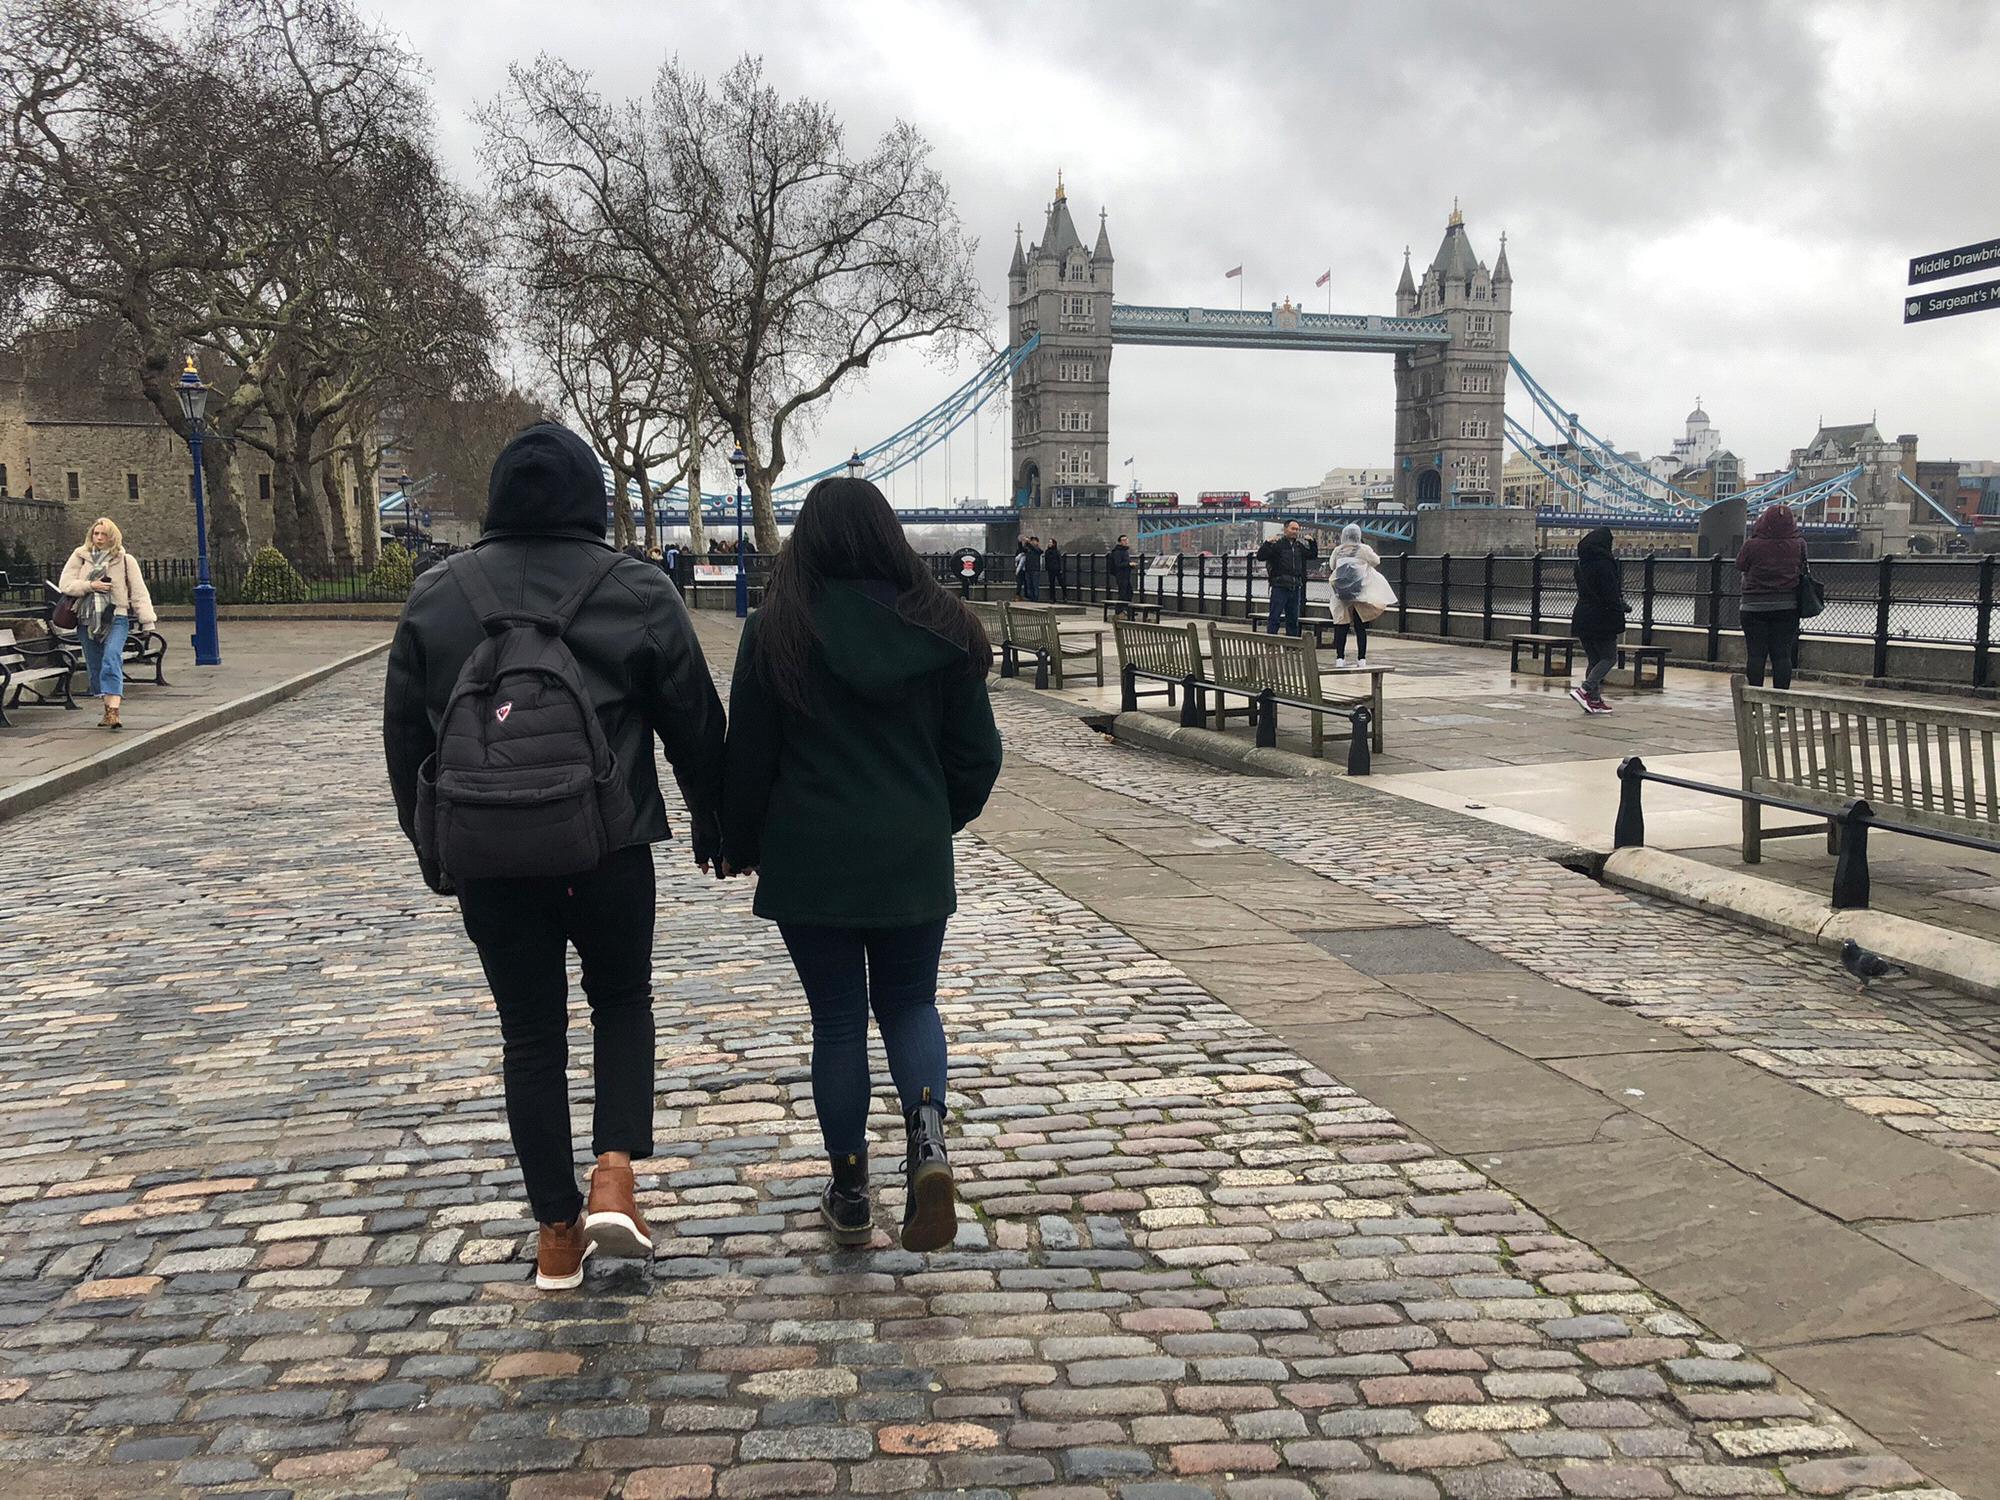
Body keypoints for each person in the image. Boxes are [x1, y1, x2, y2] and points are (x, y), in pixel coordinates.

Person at [383, 423, 726, 1292]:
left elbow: (404, 739)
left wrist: (435, 848)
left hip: (491, 855)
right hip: (608, 845)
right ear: (593, 500)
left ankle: (555, 1237)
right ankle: (616, 1174)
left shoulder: (435, 596)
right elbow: (695, 728)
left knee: (529, 1036)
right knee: (621, 1002)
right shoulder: (639, 589)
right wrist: (722, 826)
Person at [722, 477, 1003, 1254]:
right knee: (911, 1005)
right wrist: (928, 821)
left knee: (838, 1023)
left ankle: (849, 1194)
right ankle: (929, 1148)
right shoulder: (946, 628)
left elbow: (748, 759)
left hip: (812, 860)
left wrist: (740, 841)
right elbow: (979, 758)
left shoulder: (777, 630)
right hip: (910, 854)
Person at [58, 517, 157, 731]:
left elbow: (139, 592)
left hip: (116, 617)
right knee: (96, 665)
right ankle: (107, 708)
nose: (100, 538)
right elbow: (65, 584)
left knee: (112, 657)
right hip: (86, 618)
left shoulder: (124, 559)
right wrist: (89, 585)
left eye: (104, 534)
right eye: (96, 534)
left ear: (113, 536)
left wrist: (147, 621)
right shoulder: (80, 556)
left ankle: (114, 711)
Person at [1736, 505, 1806, 689]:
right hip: (1787, 606)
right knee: (1782, 655)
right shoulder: (1799, 544)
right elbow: (1803, 567)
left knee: (1756, 655)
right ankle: (1780, 704)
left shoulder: (1751, 545)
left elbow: (1740, 565)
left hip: (1753, 606)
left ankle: (1754, 701)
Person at [1569, 526, 1627, 714]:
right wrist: (1620, 607)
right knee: (1609, 657)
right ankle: (1585, 690)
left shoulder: (1580, 563)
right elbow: (1609, 592)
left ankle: (1594, 701)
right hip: (1602, 616)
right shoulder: (1604, 563)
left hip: (1582, 615)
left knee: (1594, 659)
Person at [1327, 524, 1396, 666]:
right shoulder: (1363, 549)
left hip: (1342, 594)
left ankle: (1340, 658)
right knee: (1360, 627)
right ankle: (1361, 659)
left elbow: (1332, 566)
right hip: (1359, 593)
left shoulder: (1337, 550)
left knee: (1342, 626)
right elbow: (1376, 561)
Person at [1256, 520, 1317, 637]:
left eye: (1297, 529)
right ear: (1285, 529)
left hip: (1295, 585)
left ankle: (1292, 643)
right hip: (1280, 585)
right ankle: (1271, 641)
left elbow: (1312, 555)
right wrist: (1267, 543)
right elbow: (1261, 556)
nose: (1295, 532)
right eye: (1293, 529)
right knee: (1275, 616)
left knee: (1293, 618)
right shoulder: (1278, 545)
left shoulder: (1299, 546)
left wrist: (1312, 542)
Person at [1108, 534, 1135, 605]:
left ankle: (1127, 610)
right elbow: (1118, 564)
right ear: (1120, 542)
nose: (1126, 541)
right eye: (1124, 540)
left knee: (1129, 592)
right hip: (1120, 575)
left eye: (1126, 539)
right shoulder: (1118, 551)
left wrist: (1131, 565)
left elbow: (1125, 562)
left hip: (1126, 575)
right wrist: (1129, 564)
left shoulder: (1125, 551)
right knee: (1123, 593)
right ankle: (1120, 611)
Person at [1020, 535, 1043, 601]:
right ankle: (1031, 598)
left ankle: (1035, 599)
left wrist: (1028, 543)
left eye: (1034, 541)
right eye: (1032, 541)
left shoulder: (1038, 550)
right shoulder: (1028, 550)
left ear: (1037, 542)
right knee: (1029, 585)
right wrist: (1021, 542)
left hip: (1035, 570)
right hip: (1028, 569)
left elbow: (1034, 549)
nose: (1032, 542)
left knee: (1035, 585)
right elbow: (1022, 550)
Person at [1044, 536, 1066, 602]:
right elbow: (1046, 560)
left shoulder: (1056, 551)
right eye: (1049, 542)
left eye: (1050, 542)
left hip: (1057, 569)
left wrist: (1060, 568)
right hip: (1050, 570)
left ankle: (1065, 596)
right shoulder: (1047, 551)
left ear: (1054, 543)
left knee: (1061, 582)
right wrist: (1046, 568)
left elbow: (1059, 560)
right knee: (1051, 584)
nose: (1049, 543)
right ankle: (1052, 598)